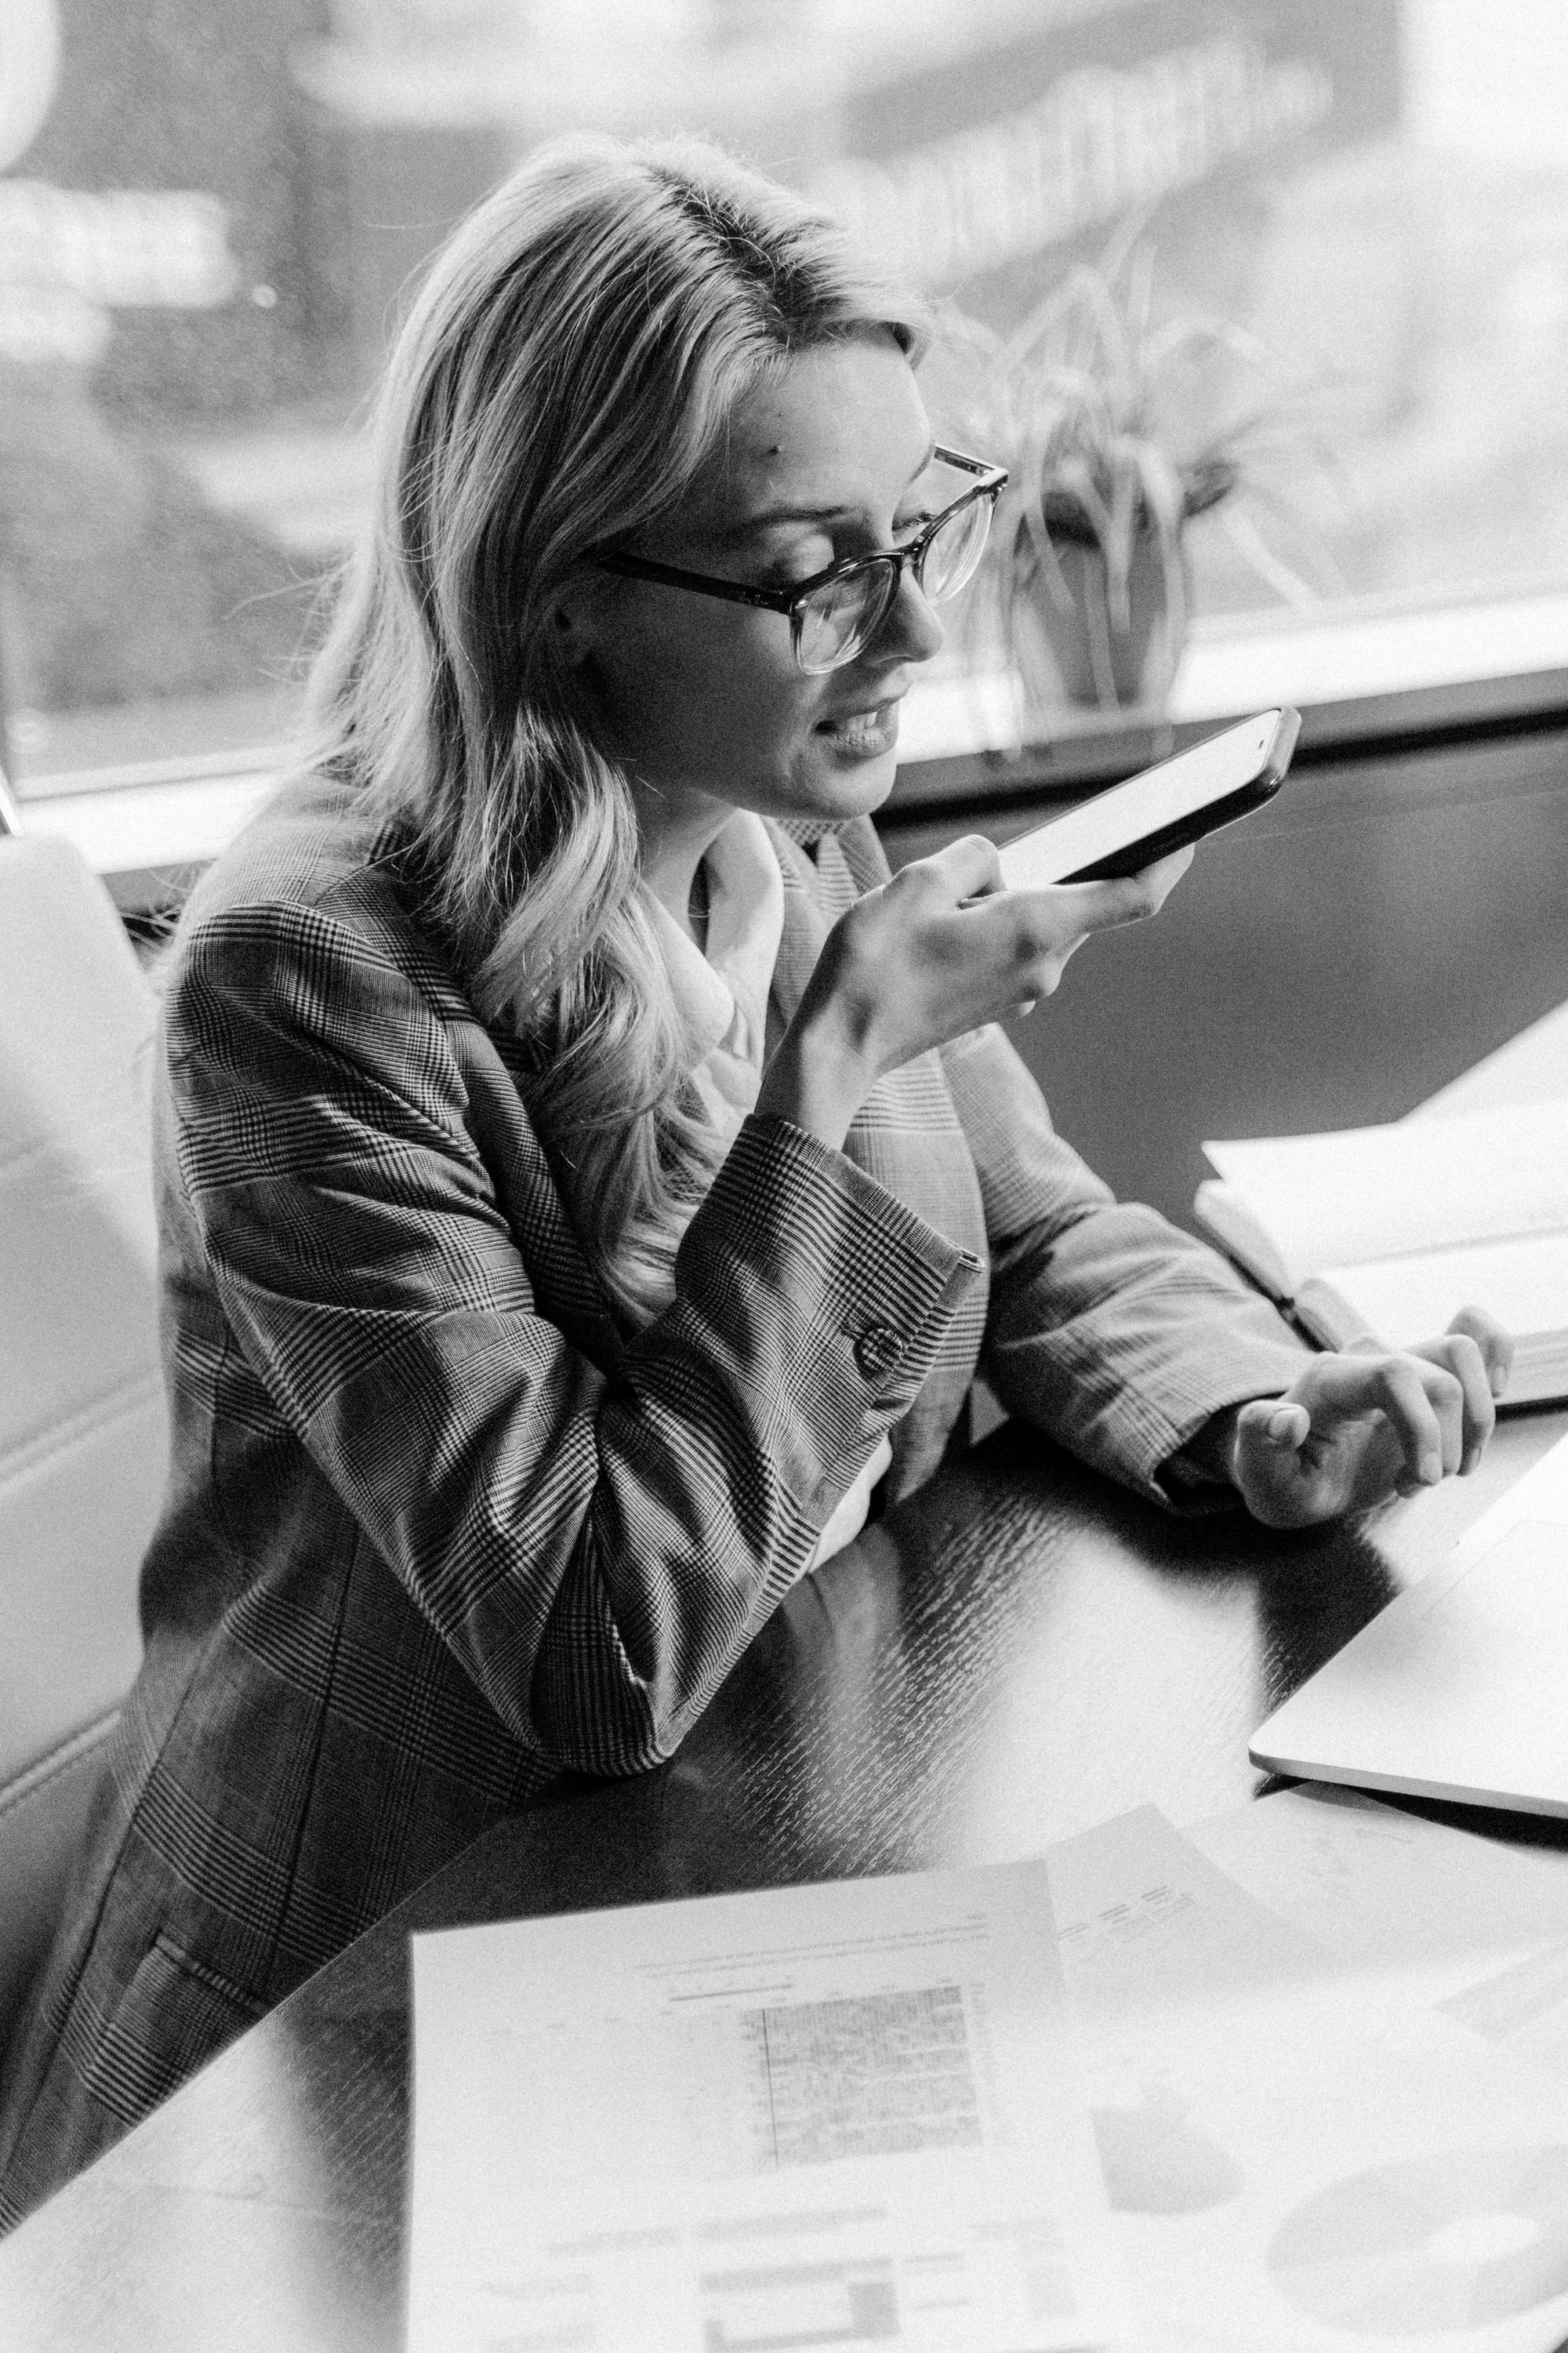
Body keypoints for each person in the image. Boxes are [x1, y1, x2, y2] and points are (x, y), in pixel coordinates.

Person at [0, 136, 1510, 2229]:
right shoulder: (313, 986)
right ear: (557, 595)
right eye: (818, 572)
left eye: (920, 529)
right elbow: (599, 1645)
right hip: (365, 2020)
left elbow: (1035, 1239)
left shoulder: (781, 822)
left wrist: (1253, 1413)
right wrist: (829, 1077)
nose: (914, 626)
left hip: (756, 1839)